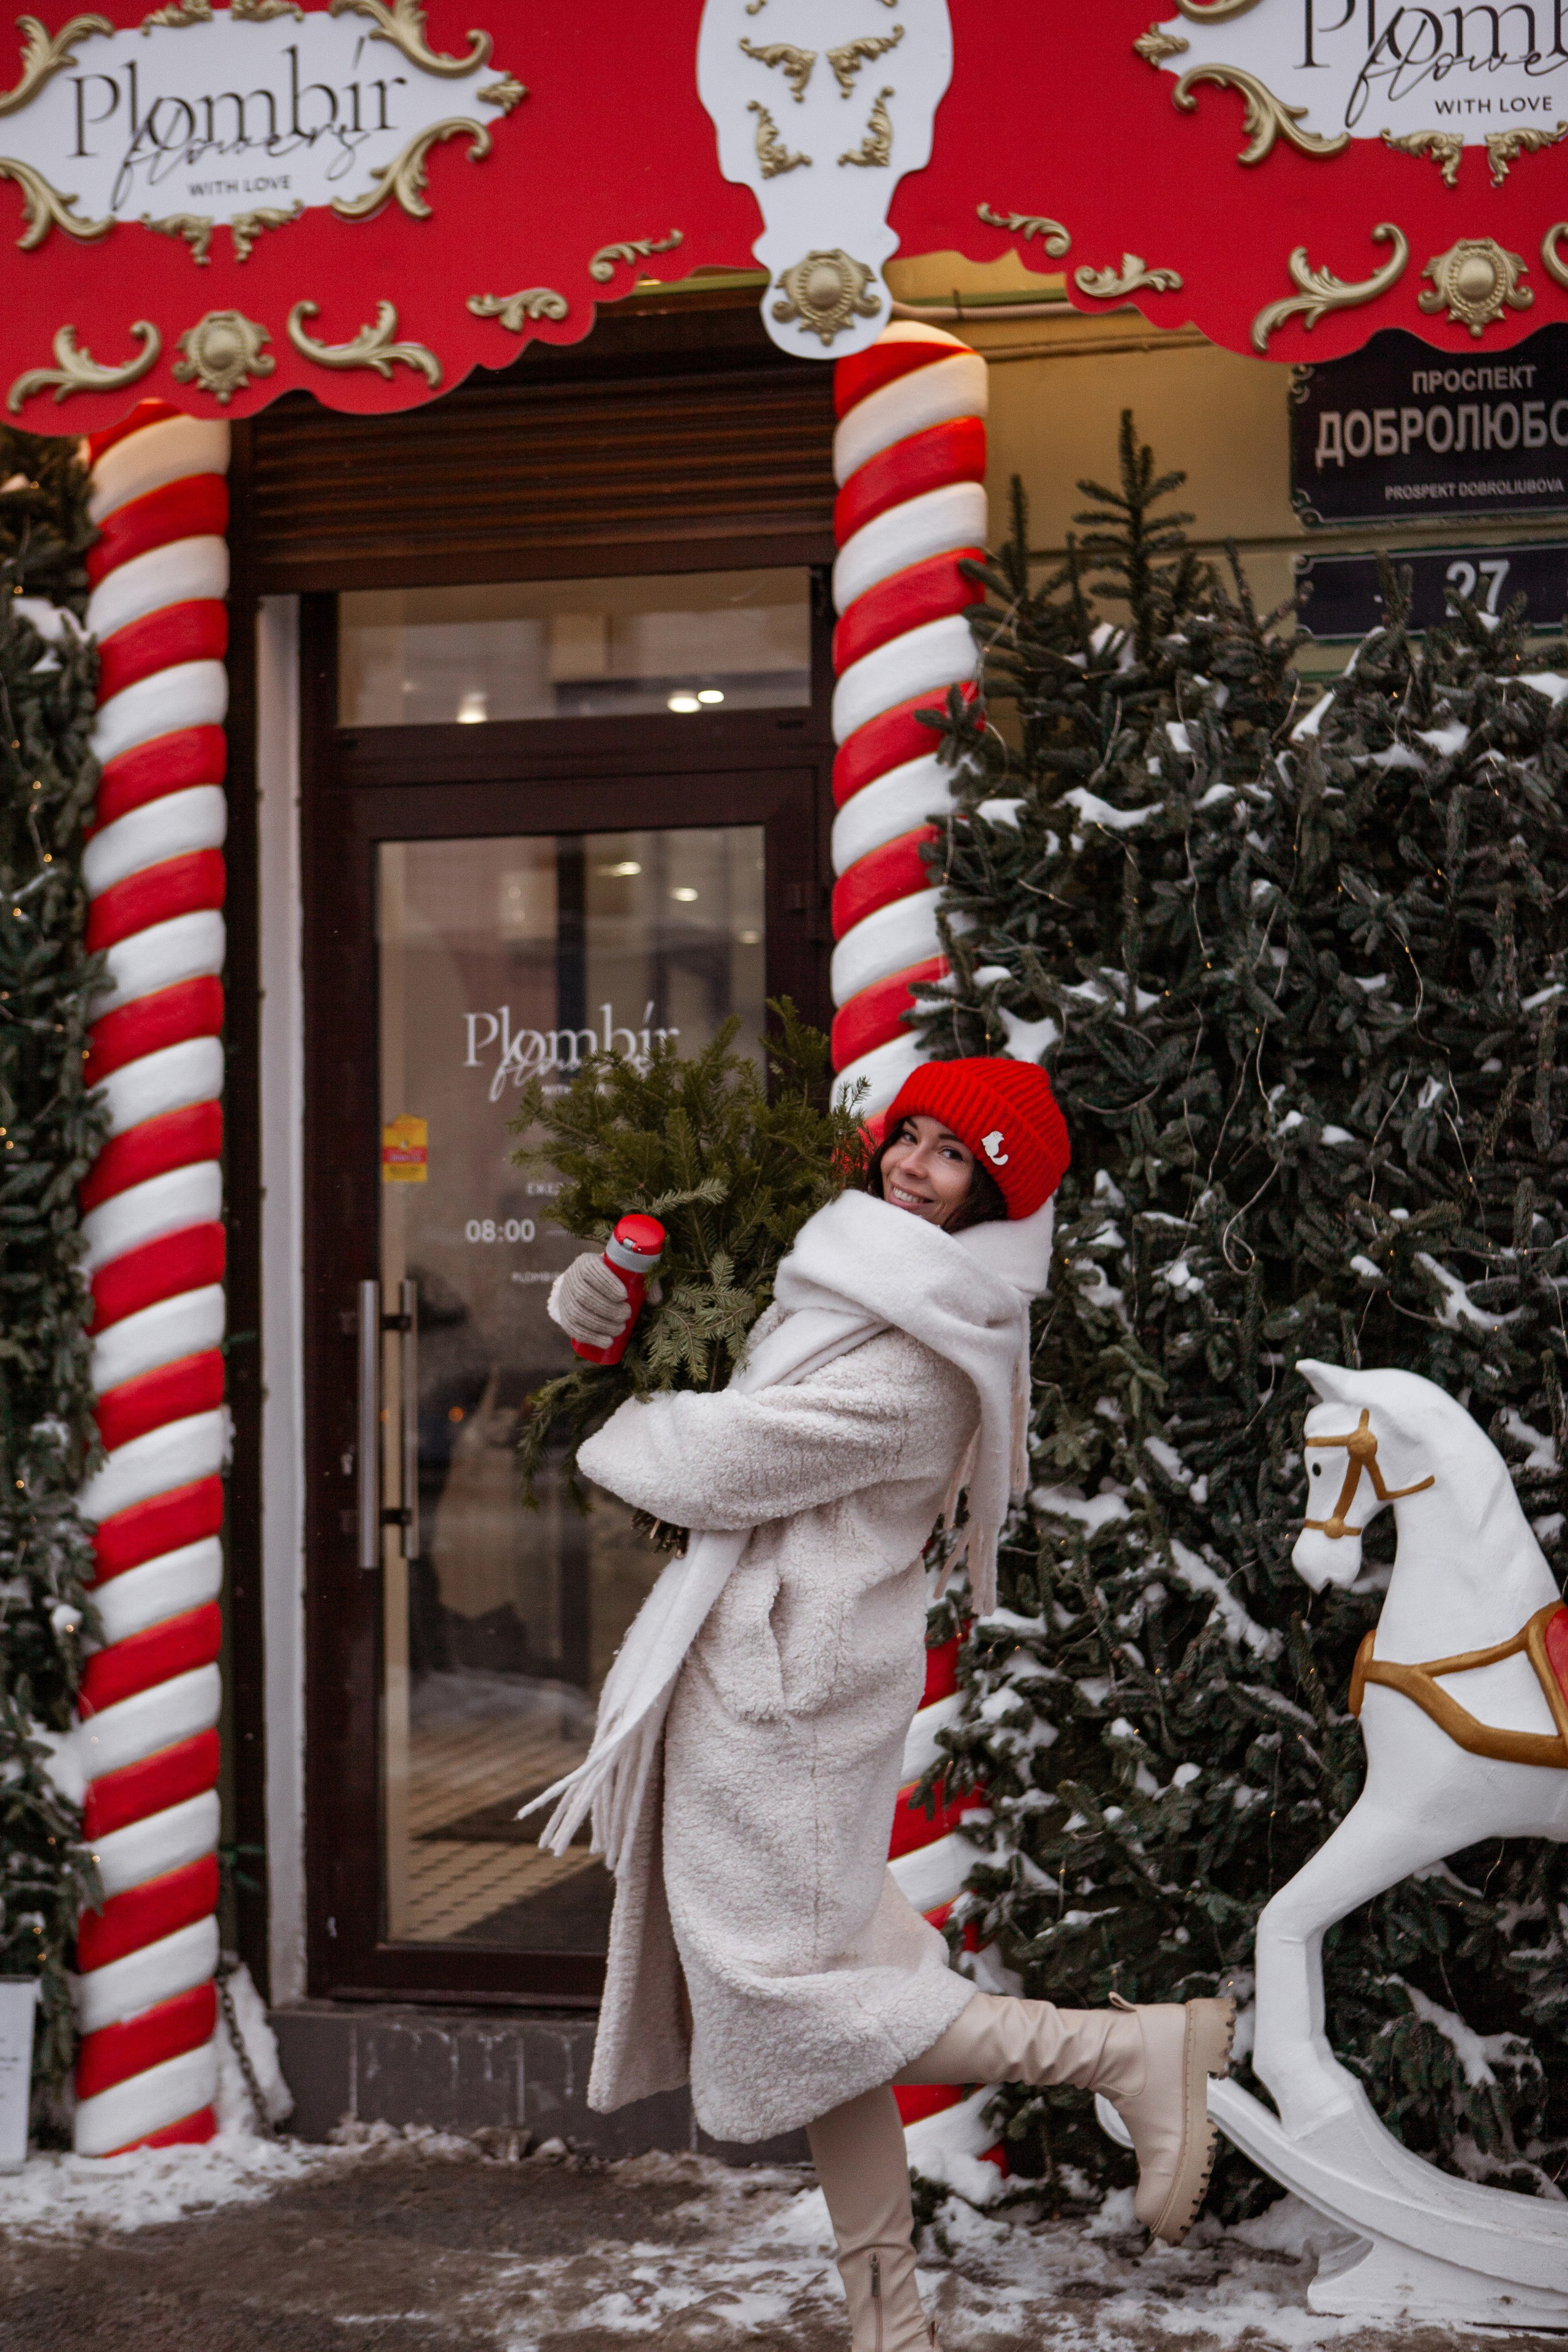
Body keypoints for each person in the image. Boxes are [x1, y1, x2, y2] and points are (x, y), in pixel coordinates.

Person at [544, 1059, 1233, 2349]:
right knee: (828, 2003)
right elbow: (704, 1349)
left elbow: (724, 1456)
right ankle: (889, 2321)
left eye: (950, 1154)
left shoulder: (936, 1347)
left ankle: (1122, 2056)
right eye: (906, 1135)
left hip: (787, 1702)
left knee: (787, 2000)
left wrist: (620, 1415)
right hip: (758, 1676)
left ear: (994, 1194)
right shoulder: (837, 1270)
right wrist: (606, 1313)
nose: (912, 1165)